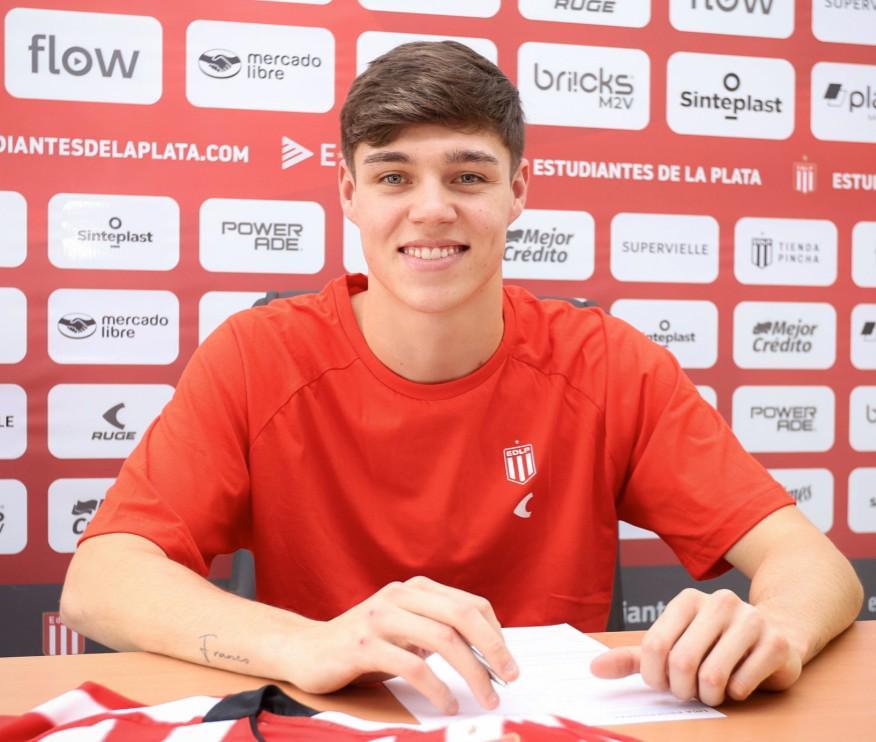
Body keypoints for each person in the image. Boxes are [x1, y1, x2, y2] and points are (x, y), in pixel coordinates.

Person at [61, 41, 862, 717]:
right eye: (394, 177)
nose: (432, 209)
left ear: (518, 192)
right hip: (327, 728)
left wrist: (775, 631)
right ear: (349, 193)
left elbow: (811, 564)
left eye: (469, 177)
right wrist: (308, 642)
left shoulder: (608, 363)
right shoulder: (257, 354)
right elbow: (100, 580)